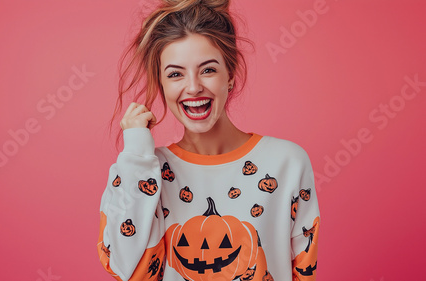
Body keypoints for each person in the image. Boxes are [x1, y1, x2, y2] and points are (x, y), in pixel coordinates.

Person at [97, 0, 320, 280]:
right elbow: (125, 268)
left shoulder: (287, 163)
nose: (193, 87)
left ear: (230, 73)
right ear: (162, 83)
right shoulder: (144, 171)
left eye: (208, 70)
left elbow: (304, 268)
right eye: (175, 74)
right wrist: (138, 156)